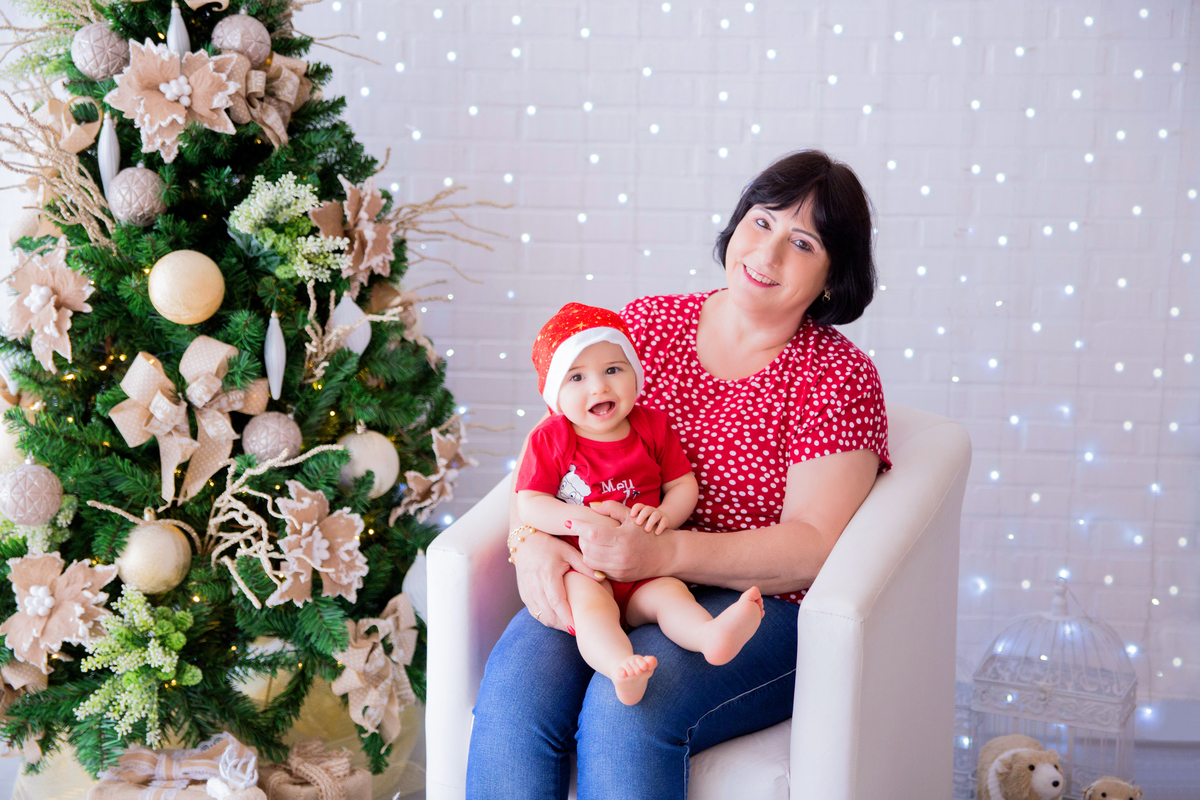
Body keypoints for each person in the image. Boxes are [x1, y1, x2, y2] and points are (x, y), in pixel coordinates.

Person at [467, 149, 891, 799]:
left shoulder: (839, 378)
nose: (768, 253)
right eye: (761, 221)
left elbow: (812, 546)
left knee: (627, 712)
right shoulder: (645, 327)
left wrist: (664, 552)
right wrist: (532, 544)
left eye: (802, 242)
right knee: (515, 694)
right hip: (608, 576)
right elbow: (550, 452)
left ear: (834, 276)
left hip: (757, 607)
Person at [515, 302, 765, 706]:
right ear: (555, 392)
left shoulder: (652, 426)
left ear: (636, 374)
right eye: (577, 377)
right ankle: (620, 667)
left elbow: (682, 485)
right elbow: (530, 502)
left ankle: (710, 636)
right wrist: (581, 521)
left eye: (613, 370)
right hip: (586, 567)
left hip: (648, 565)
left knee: (672, 597)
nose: (599, 387)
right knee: (592, 612)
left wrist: (665, 515)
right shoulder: (552, 438)